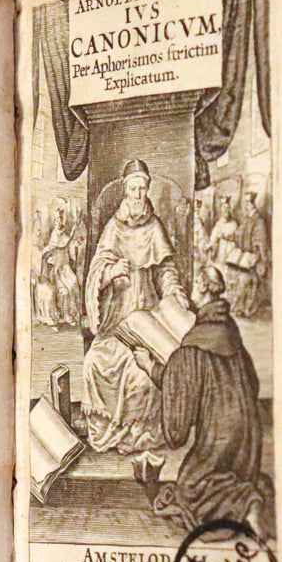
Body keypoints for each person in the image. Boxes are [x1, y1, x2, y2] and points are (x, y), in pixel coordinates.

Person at [132, 265, 273, 538]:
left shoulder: (198, 342)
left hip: (220, 438)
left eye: (195, 285)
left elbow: (177, 426)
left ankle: (246, 506)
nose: (191, 291)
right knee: (227, 476)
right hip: (247, 439)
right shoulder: (226, 328)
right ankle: (247, 501)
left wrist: (150, 366)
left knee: (191, 491)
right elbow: (249, 382)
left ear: (204, 288)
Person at [81, 159, 187, 453]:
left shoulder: (154, 227)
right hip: (117, 320)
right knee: (95, 363)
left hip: (149, 315)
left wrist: (174, 292)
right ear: (125, 191)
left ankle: (142, 433)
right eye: (133, 189)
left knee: (145, 373)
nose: (138, 194)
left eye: (142, 188)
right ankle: (115, 432)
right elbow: (96, 272)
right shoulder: (114, 228)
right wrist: (111, 272)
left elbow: (166, 270)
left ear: (147, 189)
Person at [41, 198, 82, 325]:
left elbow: (69, 247)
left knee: (74, 284)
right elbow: (54, 246)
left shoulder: (65, 232)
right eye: (57, 219)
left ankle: (73, 315)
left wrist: (75, 246)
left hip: (66, 267)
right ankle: (66, 316)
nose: (59, 221)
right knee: (64, 290)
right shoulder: (55, 233)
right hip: (58, 269)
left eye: (61, 219)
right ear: (55, 221)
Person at [233, 191, 270, 317]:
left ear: (252, 204)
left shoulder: (259, 221)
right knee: (241, 280)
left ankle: (247, 308)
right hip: (245, 256)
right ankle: (240, 307)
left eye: (248, 203)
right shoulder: (246, 219)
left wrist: (261, 258)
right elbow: (239, 235)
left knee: (248, 282)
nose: (246, 205)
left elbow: (261, 241)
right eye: (245, 203)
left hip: (254, 257)